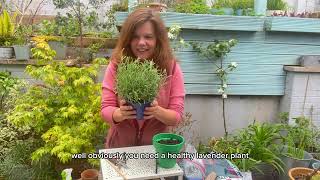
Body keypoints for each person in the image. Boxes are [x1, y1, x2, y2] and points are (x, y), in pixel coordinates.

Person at [101, 8, 185, 148]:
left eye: (148, 37)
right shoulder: (117, 65)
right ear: (128, 39)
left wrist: (157, 111)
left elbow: (176, 117)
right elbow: (105, 109)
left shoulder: (171, 68)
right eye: (135, 37)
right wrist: (119, 114)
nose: (141, 42)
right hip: (120, 149)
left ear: (158, 39)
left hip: (156, 150)